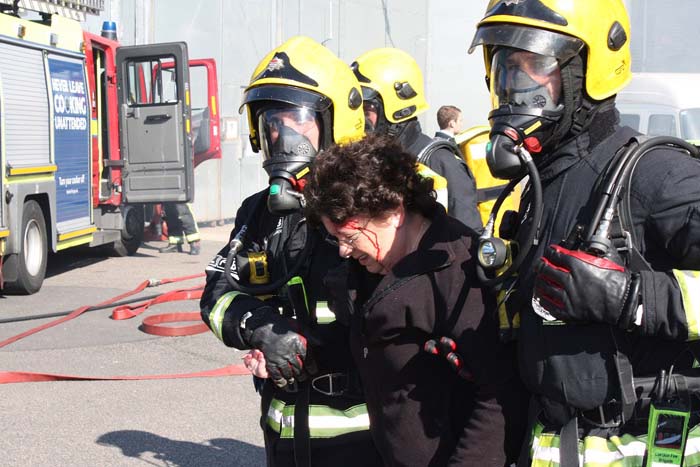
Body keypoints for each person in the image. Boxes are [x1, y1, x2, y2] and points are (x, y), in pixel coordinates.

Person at [469, 1, 700, 465]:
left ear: (590, 69)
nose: (516, 88)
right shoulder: (541, 188)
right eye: (506, 67)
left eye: (535, 66)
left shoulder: (656, 177)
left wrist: (633, 298)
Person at [200, 36, 382, 467]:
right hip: (284, 429)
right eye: (272, 124)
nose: (283, 138)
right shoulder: (257, 213)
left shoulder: (371, 209)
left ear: (336, 125)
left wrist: (310, 347)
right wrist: (259, 328)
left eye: (298, 123)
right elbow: (215, 294)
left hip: (362, 437)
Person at [304, 134, 526, 466]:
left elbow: (502, 395)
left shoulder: (458, 272)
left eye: (348, 237)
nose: (343, 250)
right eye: (335, 238)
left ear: (394, 211)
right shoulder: (370, 268)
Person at [351, 48, 483, 233]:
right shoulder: (366, 162)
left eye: (366, 111)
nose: (359, 120)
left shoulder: (441, 162)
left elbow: (468, 239)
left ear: (398, 110)